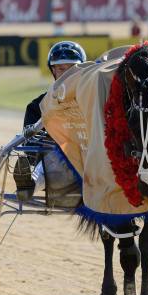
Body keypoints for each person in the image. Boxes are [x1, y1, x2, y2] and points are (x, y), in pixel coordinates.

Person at [14, 41, 87, 201]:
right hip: (56, 168)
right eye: (61, 69)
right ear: (53, 71)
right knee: (56, 151)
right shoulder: (37, 106)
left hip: (90, 161)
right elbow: (30, 148)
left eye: (71, 68)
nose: (66, 74)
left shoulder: (93, 101)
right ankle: (29, 184)